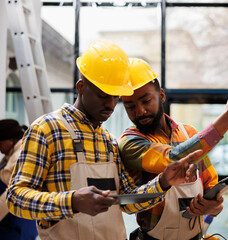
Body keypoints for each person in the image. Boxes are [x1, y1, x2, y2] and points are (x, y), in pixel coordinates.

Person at [6, 40, 202, 240]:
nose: (110, 104)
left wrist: (163, 181)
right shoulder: (48, 130)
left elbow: (128, 202)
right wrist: (72, 201)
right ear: (81, 87)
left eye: (116, 96)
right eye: (102, 95)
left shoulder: (108, 142)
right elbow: (16, 199)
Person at [118, 58, 228, 240]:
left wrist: (214, 206)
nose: (140, 111)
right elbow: (173, 158)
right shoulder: (130, 142)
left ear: (161, 96)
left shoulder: (189, 133)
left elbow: (211, 186)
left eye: (146, 101)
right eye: (130, 106)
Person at [0, 119, 38, 240]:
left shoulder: (21, 156)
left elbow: (11, 193)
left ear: (11, 140)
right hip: (10, 221)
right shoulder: (10, 155)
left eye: (0, 143)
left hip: (16, 223)